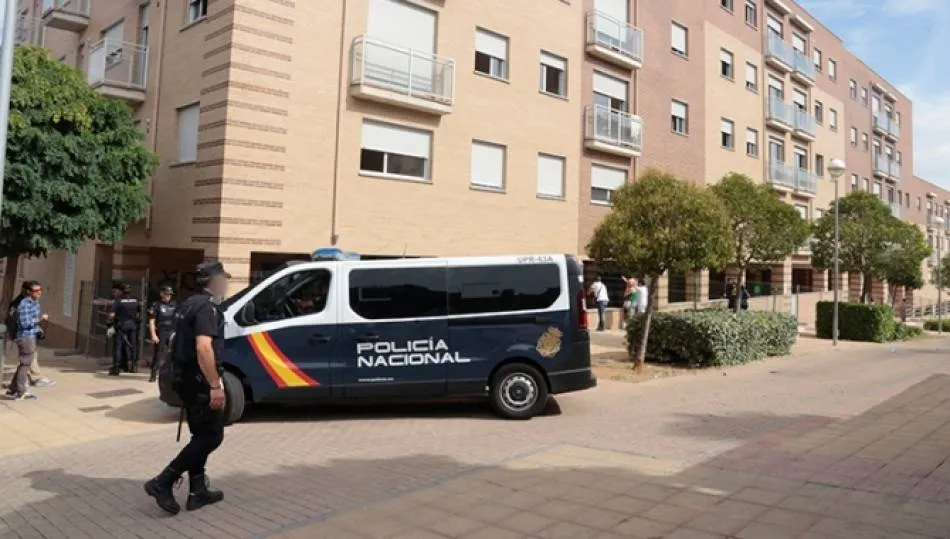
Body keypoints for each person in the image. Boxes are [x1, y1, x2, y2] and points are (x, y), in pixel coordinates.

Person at [145, 261, 231, 515]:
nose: (225, 284)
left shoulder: (189, 304)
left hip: (185, 379)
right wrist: (215, 385)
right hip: (199, 381)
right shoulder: (206, 308)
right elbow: (203, 348)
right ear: (213, 282)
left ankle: (197, 491)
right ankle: (163, 481)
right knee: (211, 436)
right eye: (223, 279)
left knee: (200, 435)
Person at [4, 281, 55, 390]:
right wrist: (40, 320)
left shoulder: (31, 302)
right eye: (36, 290)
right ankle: (22, 387)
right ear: (27, 291)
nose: (39, 292)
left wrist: (38, 330)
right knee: (26, 362)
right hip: (23, 336)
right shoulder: (23, 303)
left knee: (27, 360)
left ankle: (14, 387)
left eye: (40, 290)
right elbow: (25, 323)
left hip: (27, 335)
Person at [107, 283, 141, 376]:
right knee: (133, 345)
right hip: (133, 325)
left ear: (121, 291)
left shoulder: (118, 301)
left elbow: (112, 315)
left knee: (118, 346)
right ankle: (134, 366)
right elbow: (138, 313)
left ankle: (116, 367)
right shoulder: (135, 300)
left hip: (121, 326)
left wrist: (109, 322)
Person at [147, 285, 178, 383]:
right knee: (159, 353)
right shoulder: (156, 305)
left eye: (169, 295)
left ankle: (174, 373)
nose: (168, 296)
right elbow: (152, 321)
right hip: (161, 331)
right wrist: (153, 335)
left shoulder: (174, 304)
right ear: (161, 294)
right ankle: (153, 373)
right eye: (166, 294)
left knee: (175, 352)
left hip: (172, 331)